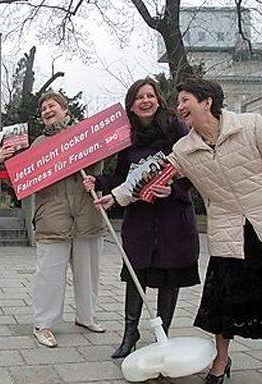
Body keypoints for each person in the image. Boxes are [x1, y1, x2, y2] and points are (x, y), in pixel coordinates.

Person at [97, 78, 262, 382]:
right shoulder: (183, 149)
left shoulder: (251, 125)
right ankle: (221, 360)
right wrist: (114, 197)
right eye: (177, 102)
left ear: (207, 102)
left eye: (185, 100)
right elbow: (148, 176)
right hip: (228, 232)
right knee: (224, 302)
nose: (178, 107)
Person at [83, 78, 200, 358]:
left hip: (173, 217)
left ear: (158, 99)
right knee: (137, 276)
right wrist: (97, 179)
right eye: (139, 97)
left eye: (150, 95)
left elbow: (194, 170)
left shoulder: (177, 130)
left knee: (169, 277)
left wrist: (173, 189)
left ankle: (163, 335)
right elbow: (121, 177)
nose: (145, 101)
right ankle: (130, 333)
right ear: (131, 106)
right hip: (141, 220)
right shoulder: (127, 137)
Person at [0, 91, 105, 348]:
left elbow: (101, 164)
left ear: (65, 110)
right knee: (49, 274)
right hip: (52, 217)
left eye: (52, 105)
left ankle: (86, 316)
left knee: (88, 270)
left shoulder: (84, 134)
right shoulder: (35, 146)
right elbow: (19, 185)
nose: (47, 110)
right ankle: (43, 324)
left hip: (86, 214)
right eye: (43, 107)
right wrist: (4, 164)